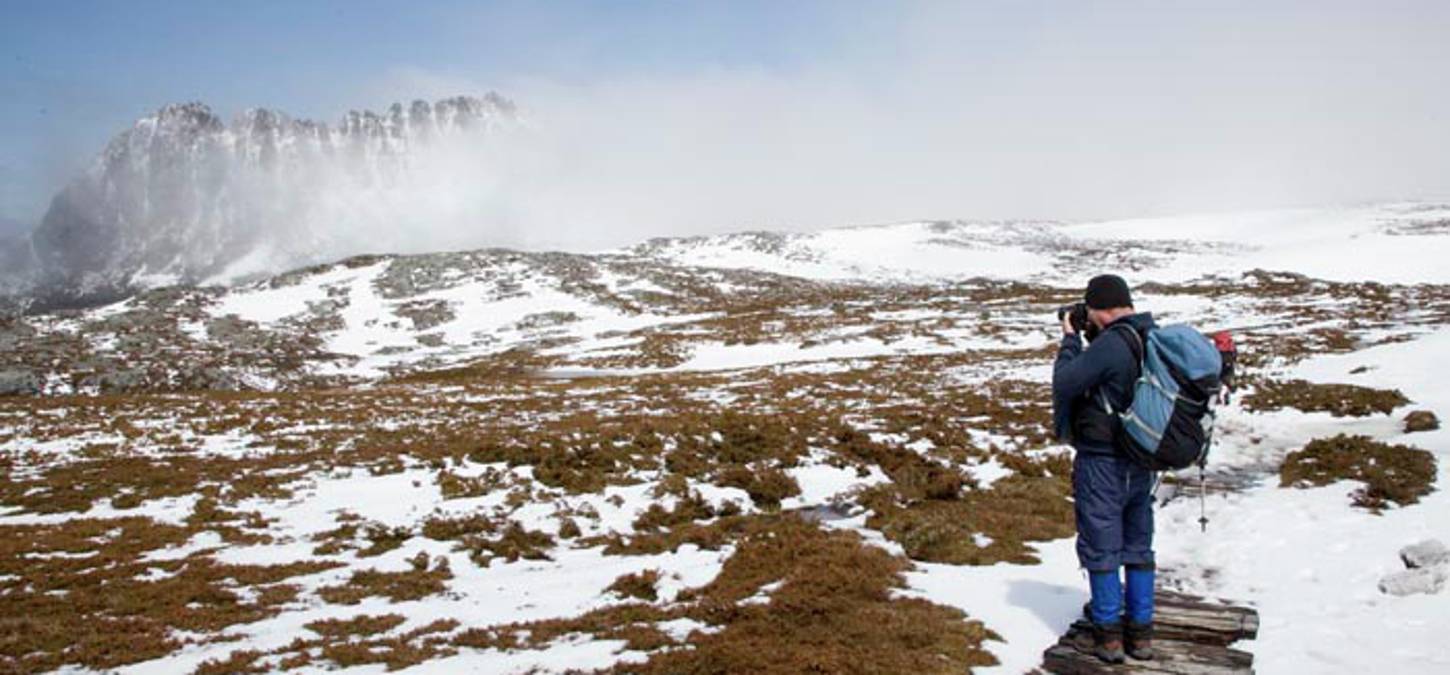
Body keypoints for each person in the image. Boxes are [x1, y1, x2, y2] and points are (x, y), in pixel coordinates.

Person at [1051, 274, 1157, 663]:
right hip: (1141, 459)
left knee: (1101, 544)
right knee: (1137, 542)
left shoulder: (1112, 344)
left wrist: (1069, 338)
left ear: (1097, 308)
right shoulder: (1149, 335)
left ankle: (1108, 635)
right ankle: (1141, 632)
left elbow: (1066, 382)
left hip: (1103, 461)